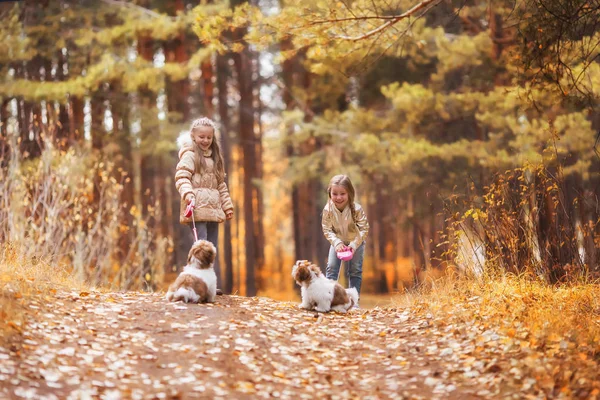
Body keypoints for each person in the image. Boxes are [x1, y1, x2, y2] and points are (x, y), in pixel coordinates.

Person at [175, 117, 233, 294]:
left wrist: (227, 205)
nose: (205, 141)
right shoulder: (190, 155)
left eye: (209, 137)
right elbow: (182, 177)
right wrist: (188, 194)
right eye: (201, 137)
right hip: (197, 209)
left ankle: (208, 285)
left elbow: (220, 184)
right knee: (200, 248)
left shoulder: (215, 158)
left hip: (214, 211)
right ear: (193, 136)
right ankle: (196, 283)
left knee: (211, 249)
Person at [321, 174, 369, 307]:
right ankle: (328, 300)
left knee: (355, 271)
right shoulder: (328, 210)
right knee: (331, 268)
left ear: (349, 193)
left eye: (342, 193)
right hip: (337, 242)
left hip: (356, 242)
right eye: (335, 193)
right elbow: (327, 229)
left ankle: (354, 303)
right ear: (330, 193)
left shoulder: (357, 209)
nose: (338, 197)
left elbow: (364, 229)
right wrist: (336, 243)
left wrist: (353, 245)